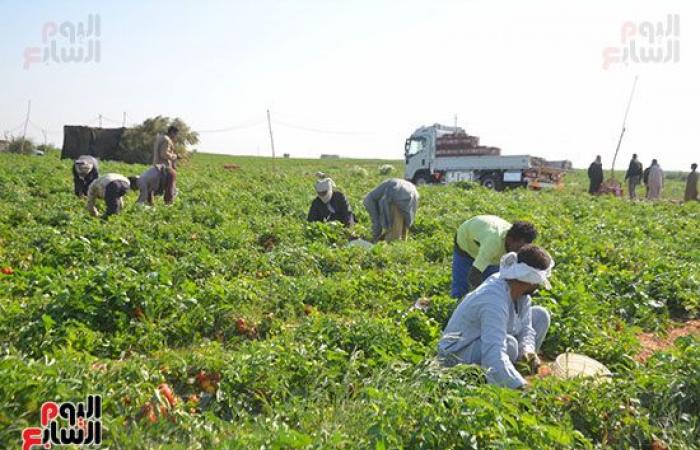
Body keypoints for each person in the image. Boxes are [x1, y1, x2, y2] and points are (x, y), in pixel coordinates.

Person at [438, 245, 554, 390]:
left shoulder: (520, 290)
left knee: (541, 315)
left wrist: (528, 352)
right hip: (456, 354)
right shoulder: (493, 299)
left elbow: (526, 329)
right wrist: (523, 389)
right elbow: (493, 353)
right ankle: (505, 383)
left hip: (487, 340)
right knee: (510, 345)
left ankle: (515, 372)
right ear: (531, 280)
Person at [451, 216, 537, 299]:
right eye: (518, 247)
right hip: (466, 244)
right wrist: (482, 299)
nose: (519, 252)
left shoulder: (517, 241)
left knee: (495, 284)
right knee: (461, 288)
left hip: (486, 246)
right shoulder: (493, 242)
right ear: (510, 240)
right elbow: (474, 274)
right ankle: (455, 307)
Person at [363, 178, 419, 242]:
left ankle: (390, 249)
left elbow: (377, 223)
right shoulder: (375, 195)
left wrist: (374, 239)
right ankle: (402, 246)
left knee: (394, 232)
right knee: (403, 227)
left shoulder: (368, 202)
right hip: (413, 191)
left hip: (397, 192)